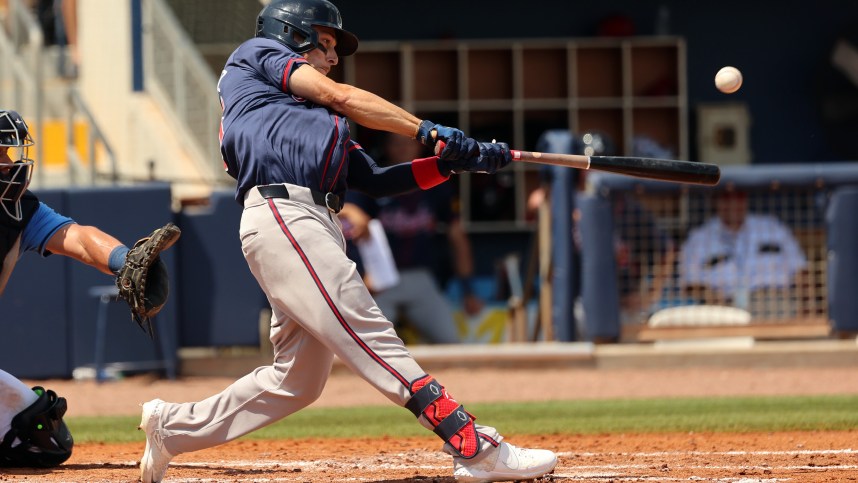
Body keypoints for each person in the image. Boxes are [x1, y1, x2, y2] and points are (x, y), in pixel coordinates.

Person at [137, 1, 558, 482]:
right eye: (326, 43)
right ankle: (472, 445)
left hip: (309, 221)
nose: (333, 57)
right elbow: (339, 95)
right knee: (368, 329)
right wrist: (430, 130)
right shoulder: (255, 56)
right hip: (285, 214)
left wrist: (452, 164)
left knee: (297, 380)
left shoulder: (309, 118)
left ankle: (171, 428)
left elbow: (375, 179)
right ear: (290, 34)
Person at [0, 109, 178, 467]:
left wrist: (125, 261)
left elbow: (78, 238)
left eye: (10, 152)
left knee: (42, 437)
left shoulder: (20, 210)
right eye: (1, 153)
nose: (10, 162)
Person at [339, 132, 483, 344]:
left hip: (420, 278)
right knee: (365, 346)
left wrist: (468, 290)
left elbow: (457, 236)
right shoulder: (374, 177)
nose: (403, 149)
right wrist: (351, 212)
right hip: (380, 281)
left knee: (452, 343)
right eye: (395, 144)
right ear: (386, 147)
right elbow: (344, 210)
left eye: (408, 143)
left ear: (420, 147)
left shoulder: (437, 181)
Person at [679, 189, 808, 317]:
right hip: (722, 310)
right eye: (726, 197)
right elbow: (689, 285)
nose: (733, 203)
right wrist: (716, 300)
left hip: (773, 304)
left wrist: (805, 307)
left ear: (745, 198)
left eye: (738, 196)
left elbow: (801, 271)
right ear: (715, 200)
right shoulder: (698, 239)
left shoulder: (772, 227)